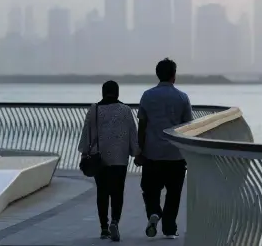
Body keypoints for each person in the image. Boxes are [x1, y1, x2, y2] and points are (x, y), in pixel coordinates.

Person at [135, 58, 193, 239]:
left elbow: (142, 125)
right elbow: (187, 127)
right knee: (173, 194)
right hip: (175, 154)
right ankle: (169, 229)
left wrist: (139, 151)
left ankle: (154, 212)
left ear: (157, 74)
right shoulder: (182, 97)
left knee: (149, 189)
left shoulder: (147, 95)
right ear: (174, 76)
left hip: (152, 153)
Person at [78, 80, 139, 242]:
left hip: (100, 158)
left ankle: (104, 228)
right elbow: (133, 133)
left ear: (103, 92)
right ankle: (115, 222)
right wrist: (137, 153)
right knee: (118, 192)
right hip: (119, 158)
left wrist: (84, 154)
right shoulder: (125, 110)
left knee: (102, 192)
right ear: (117, 93)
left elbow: (86, 134)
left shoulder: (94, 110)